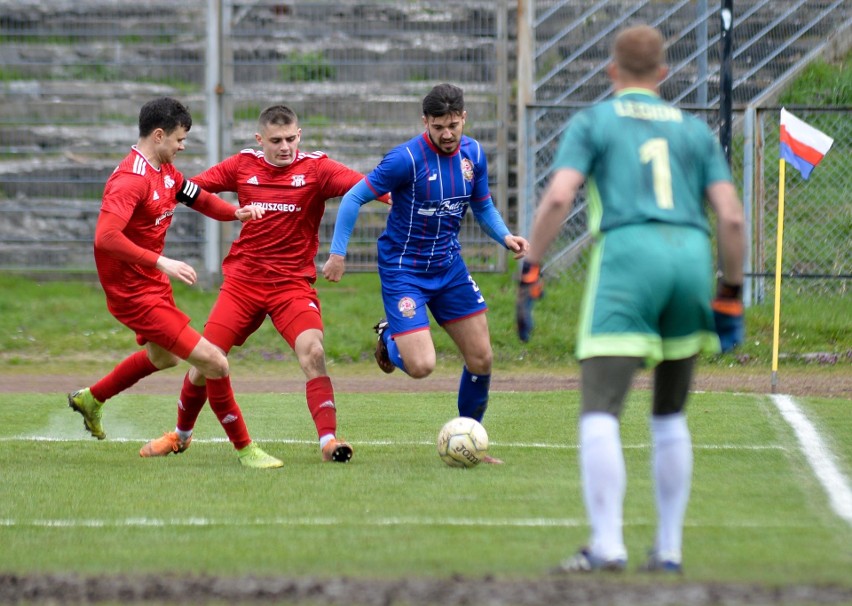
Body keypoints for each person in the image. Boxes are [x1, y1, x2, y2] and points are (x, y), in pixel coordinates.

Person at [519, 25, 745, 573]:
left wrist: (531, 265)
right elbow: (732, 217)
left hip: (628, 256)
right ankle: (668, 548)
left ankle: (607, 545)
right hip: (690, 255)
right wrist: (731, 292)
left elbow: (558, 197)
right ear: (664, 74)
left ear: (612, 72)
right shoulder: (694, 131)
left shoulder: (595, 120)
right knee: (669, 415)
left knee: (601, 410)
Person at [139, 104, 386, 463]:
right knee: (206, 360)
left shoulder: (317, 169)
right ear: (260, 140)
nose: (285, 147)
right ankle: (180, 435)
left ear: (299, 135)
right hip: (243, 283)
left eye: (290, 139)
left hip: (291, 286)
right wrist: (146, 198)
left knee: (314, 353)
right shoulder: (243, 165)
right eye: (276, 141)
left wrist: (401, 198)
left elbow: (368, 187)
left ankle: (329, 441)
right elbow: (190, 189)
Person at [67, 96, 283, 469]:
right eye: (180, 139)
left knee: (163, 357)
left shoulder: (165, 170)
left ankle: (92, 398)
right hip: (132, 293)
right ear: (158, 134)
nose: (183, 146)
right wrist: (161, 260)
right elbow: (105, 237)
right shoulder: (130, 181)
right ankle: (246, 450)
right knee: (215, 362)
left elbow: (199, 198)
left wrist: (237, 213)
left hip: (150, 283)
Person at [323, 83, 529, 464]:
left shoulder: (474, 155)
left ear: (464, 117)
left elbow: (481, 206)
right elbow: (353, 197)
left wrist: (505, 237)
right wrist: (338, 254)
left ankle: (470, 439)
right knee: (421, 367)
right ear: (426, 122)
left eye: (453, 125)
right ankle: (390, 335)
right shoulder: (405, 159)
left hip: (449, 267)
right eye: (438, 127)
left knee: (481, 358)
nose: (447, 134)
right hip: (405, 271)